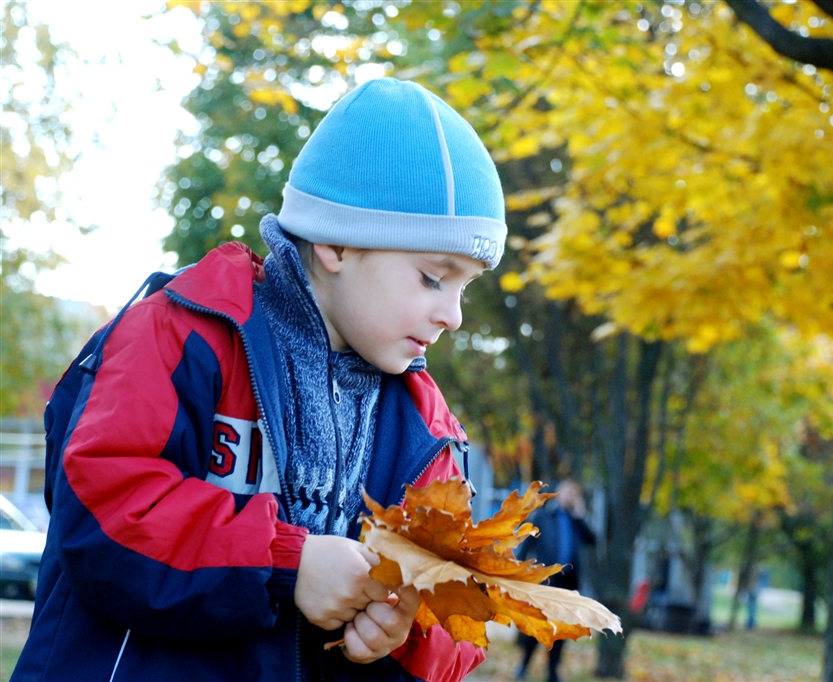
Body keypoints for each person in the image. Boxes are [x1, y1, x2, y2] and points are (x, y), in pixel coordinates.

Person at [12, 77, 506, 682]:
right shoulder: (181, 338)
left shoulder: (423, 429)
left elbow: (463, 627)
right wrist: (285, 564)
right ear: (336, 243)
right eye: (434, 277)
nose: (452, 315)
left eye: (465, 288)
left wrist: (408, 629)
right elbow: (103, 509)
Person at [515, 479, 596, 682]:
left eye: (574, 493)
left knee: (560, 629)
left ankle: (552, 673)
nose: (570, 496)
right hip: (545, 581)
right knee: (538, 626)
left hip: (568, 583)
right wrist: (517, 571)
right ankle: (523, 666)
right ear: (559, 493)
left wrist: (580, 517)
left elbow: (592, 540)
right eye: (567, 492)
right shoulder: (544, 516)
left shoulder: (576, 520)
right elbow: (525, 545)